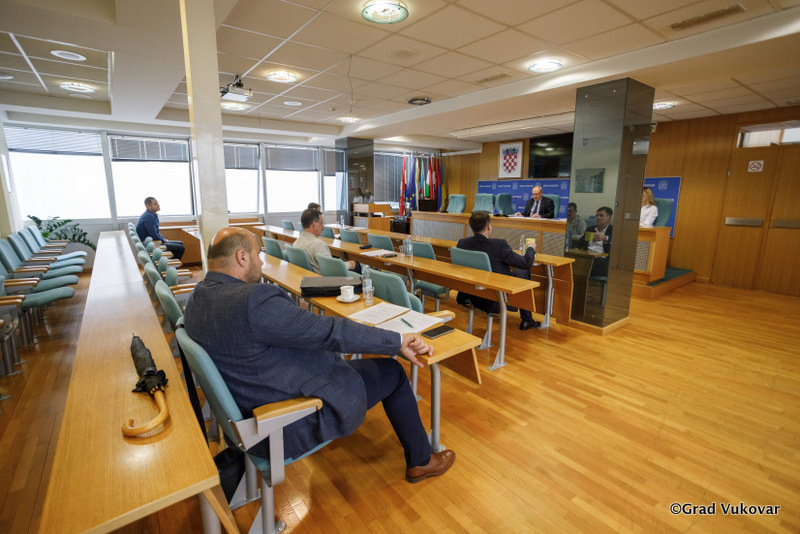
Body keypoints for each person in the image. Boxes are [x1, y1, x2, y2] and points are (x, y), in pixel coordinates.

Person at [183, 227, 455, 482]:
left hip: (250, 402)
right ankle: (421, 461)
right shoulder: (253, 300)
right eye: (257, 255)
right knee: (393, 372)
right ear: (242, 257)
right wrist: (395, 341)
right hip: (281, 418)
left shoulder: (197, 297)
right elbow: (328, 331)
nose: (261, 263)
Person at [456, 211, 539, 330]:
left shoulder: (462, 243)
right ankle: (527, 320)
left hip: (471, 293)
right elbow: (526, 263)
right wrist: (531, 248)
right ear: (489, 226)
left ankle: (527, 320)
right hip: (496, 298)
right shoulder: (499, 245)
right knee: (523, 270)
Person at [293, 208, 360, 273]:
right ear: (314, 224)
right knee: (356, 264)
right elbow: (331, 268)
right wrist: (349, 264)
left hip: (308, 276)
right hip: (326, 278)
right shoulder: (317, 244)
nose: (323, 226)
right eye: (321, 223)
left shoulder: (297, 242)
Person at [577, 207, 613, 277]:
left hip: (601, 260)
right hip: (587, 256)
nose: (598, 218)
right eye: (597, 215)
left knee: (592, 263)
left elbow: (616, 248)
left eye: (601, 216)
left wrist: (605, 238)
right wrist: (576, 249)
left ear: (609, 218)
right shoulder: (590, 229)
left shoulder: (613, 231)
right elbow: (579, 243)